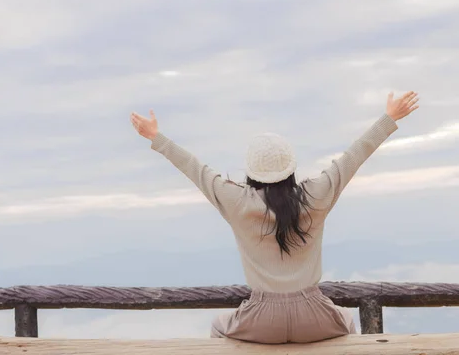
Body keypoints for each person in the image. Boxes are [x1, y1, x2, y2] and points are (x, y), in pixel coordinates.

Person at [129, 91, 420, 344]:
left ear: (251, 172)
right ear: (291, 168)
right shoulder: (315, 195)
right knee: (346, 323)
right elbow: (354, 156)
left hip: (261, 317)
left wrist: (156, 136)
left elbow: (195, 168)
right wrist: (388, 118)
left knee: (219, 329)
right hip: (314, 314)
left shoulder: (236, 201)